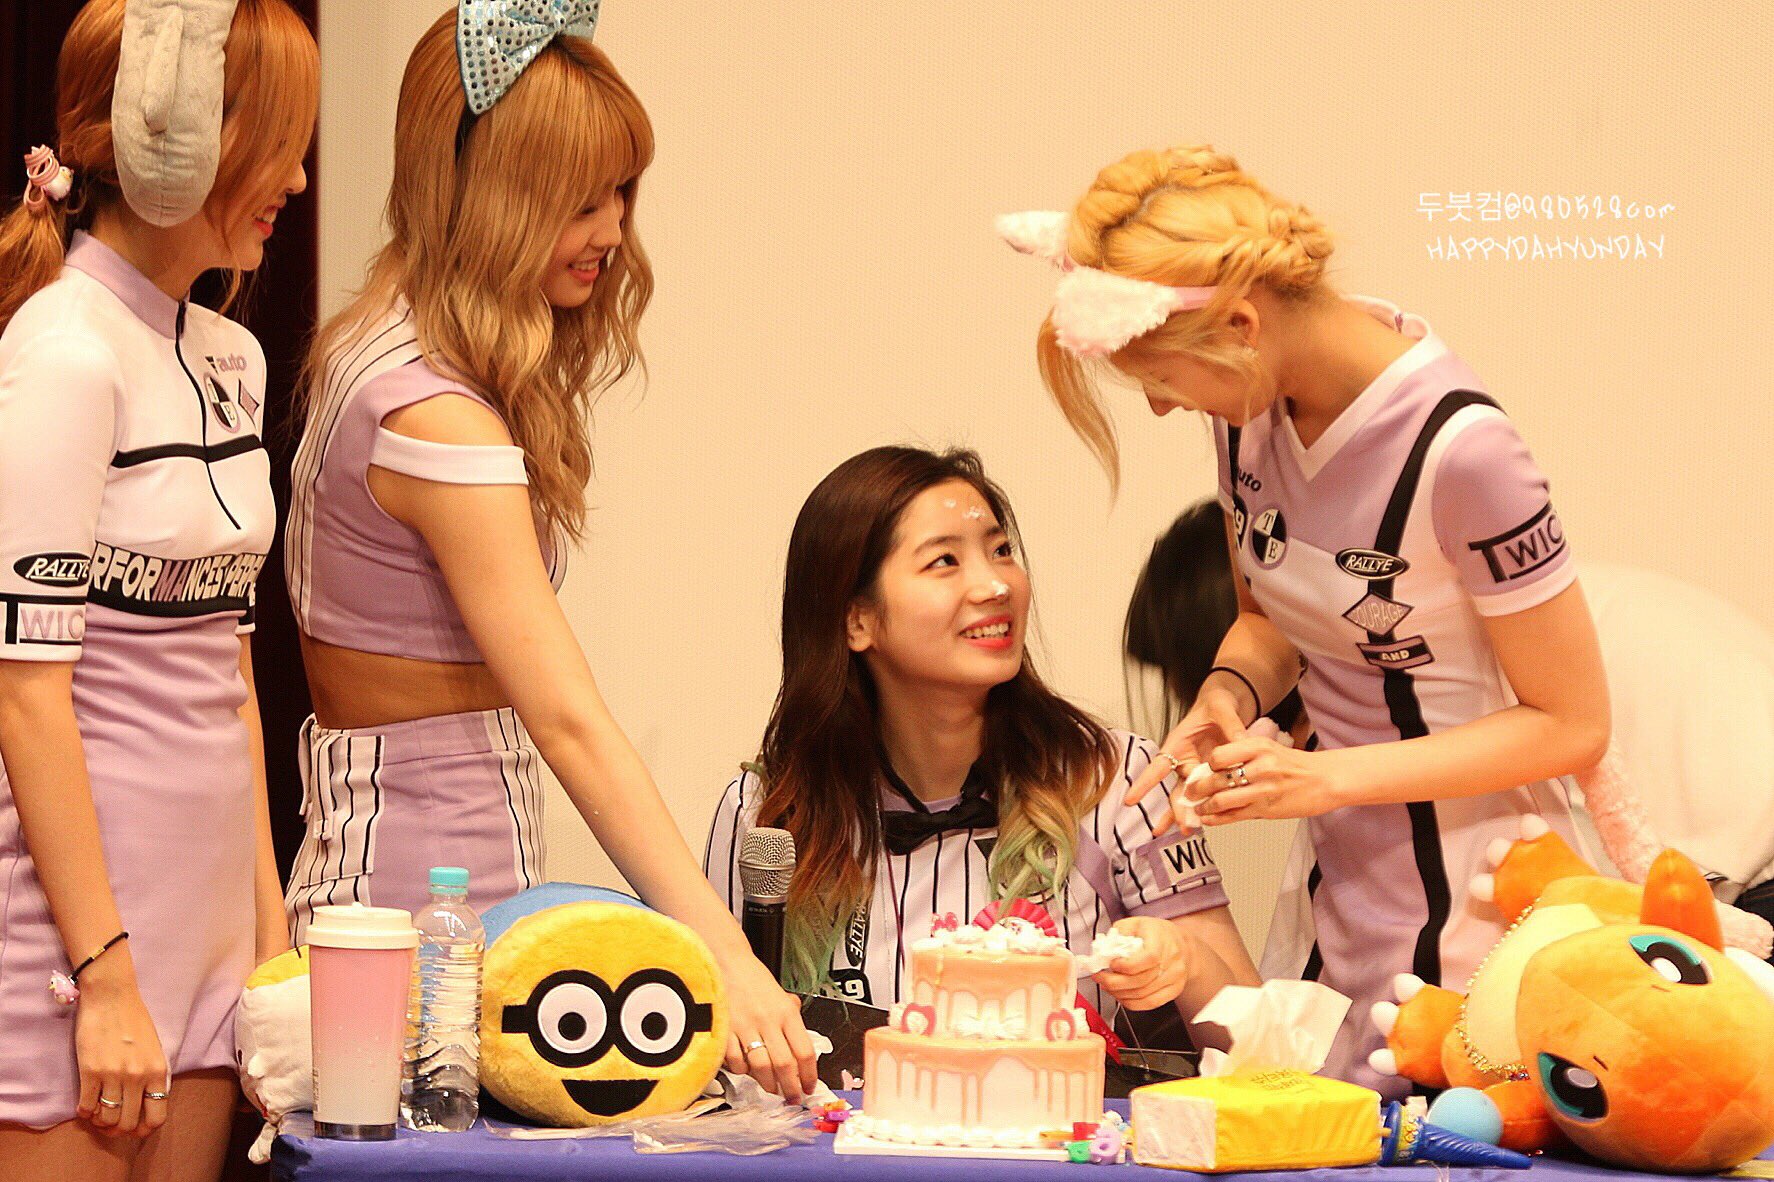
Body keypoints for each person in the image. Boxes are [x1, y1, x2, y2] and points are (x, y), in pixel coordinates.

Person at [283, 5, 815, 1099]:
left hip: (423, 862)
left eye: (621, 192)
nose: (613, 229)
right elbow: (567, 718)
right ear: (488, 194)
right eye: (578, 200)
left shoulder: (381, 347)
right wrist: (724, 953)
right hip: (416, 887)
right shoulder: (433, 413)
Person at [1008, 145, 1610, 1092]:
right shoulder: (1247, 408)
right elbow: (1272, 623)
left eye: (1160, 376)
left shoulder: (1465, 453)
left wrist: (1326, 777)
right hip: (1342, 873)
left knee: (1446, 1119)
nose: (1161, 406)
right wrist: (1225, 697)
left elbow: (1572, 724)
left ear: (1241, 325)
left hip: (1483, 884)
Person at [0, 0, 317, 1176]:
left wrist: (269, 944)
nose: (296, 176)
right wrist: (104, 976)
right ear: (175, 139)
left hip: (210, 942)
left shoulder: (235, 356)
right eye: (276, 141)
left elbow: (231, 676)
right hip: (75, 946)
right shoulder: (63, 353)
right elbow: (26, 697)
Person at [703, 447, 1258, 1052]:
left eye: (1001, 551)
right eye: (944, 561)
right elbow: (719, 1039)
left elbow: (1257, 1045)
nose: (996, 585)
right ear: (857, 620)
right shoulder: (767, 812)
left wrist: (1185, 962)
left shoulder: (1117, 780)